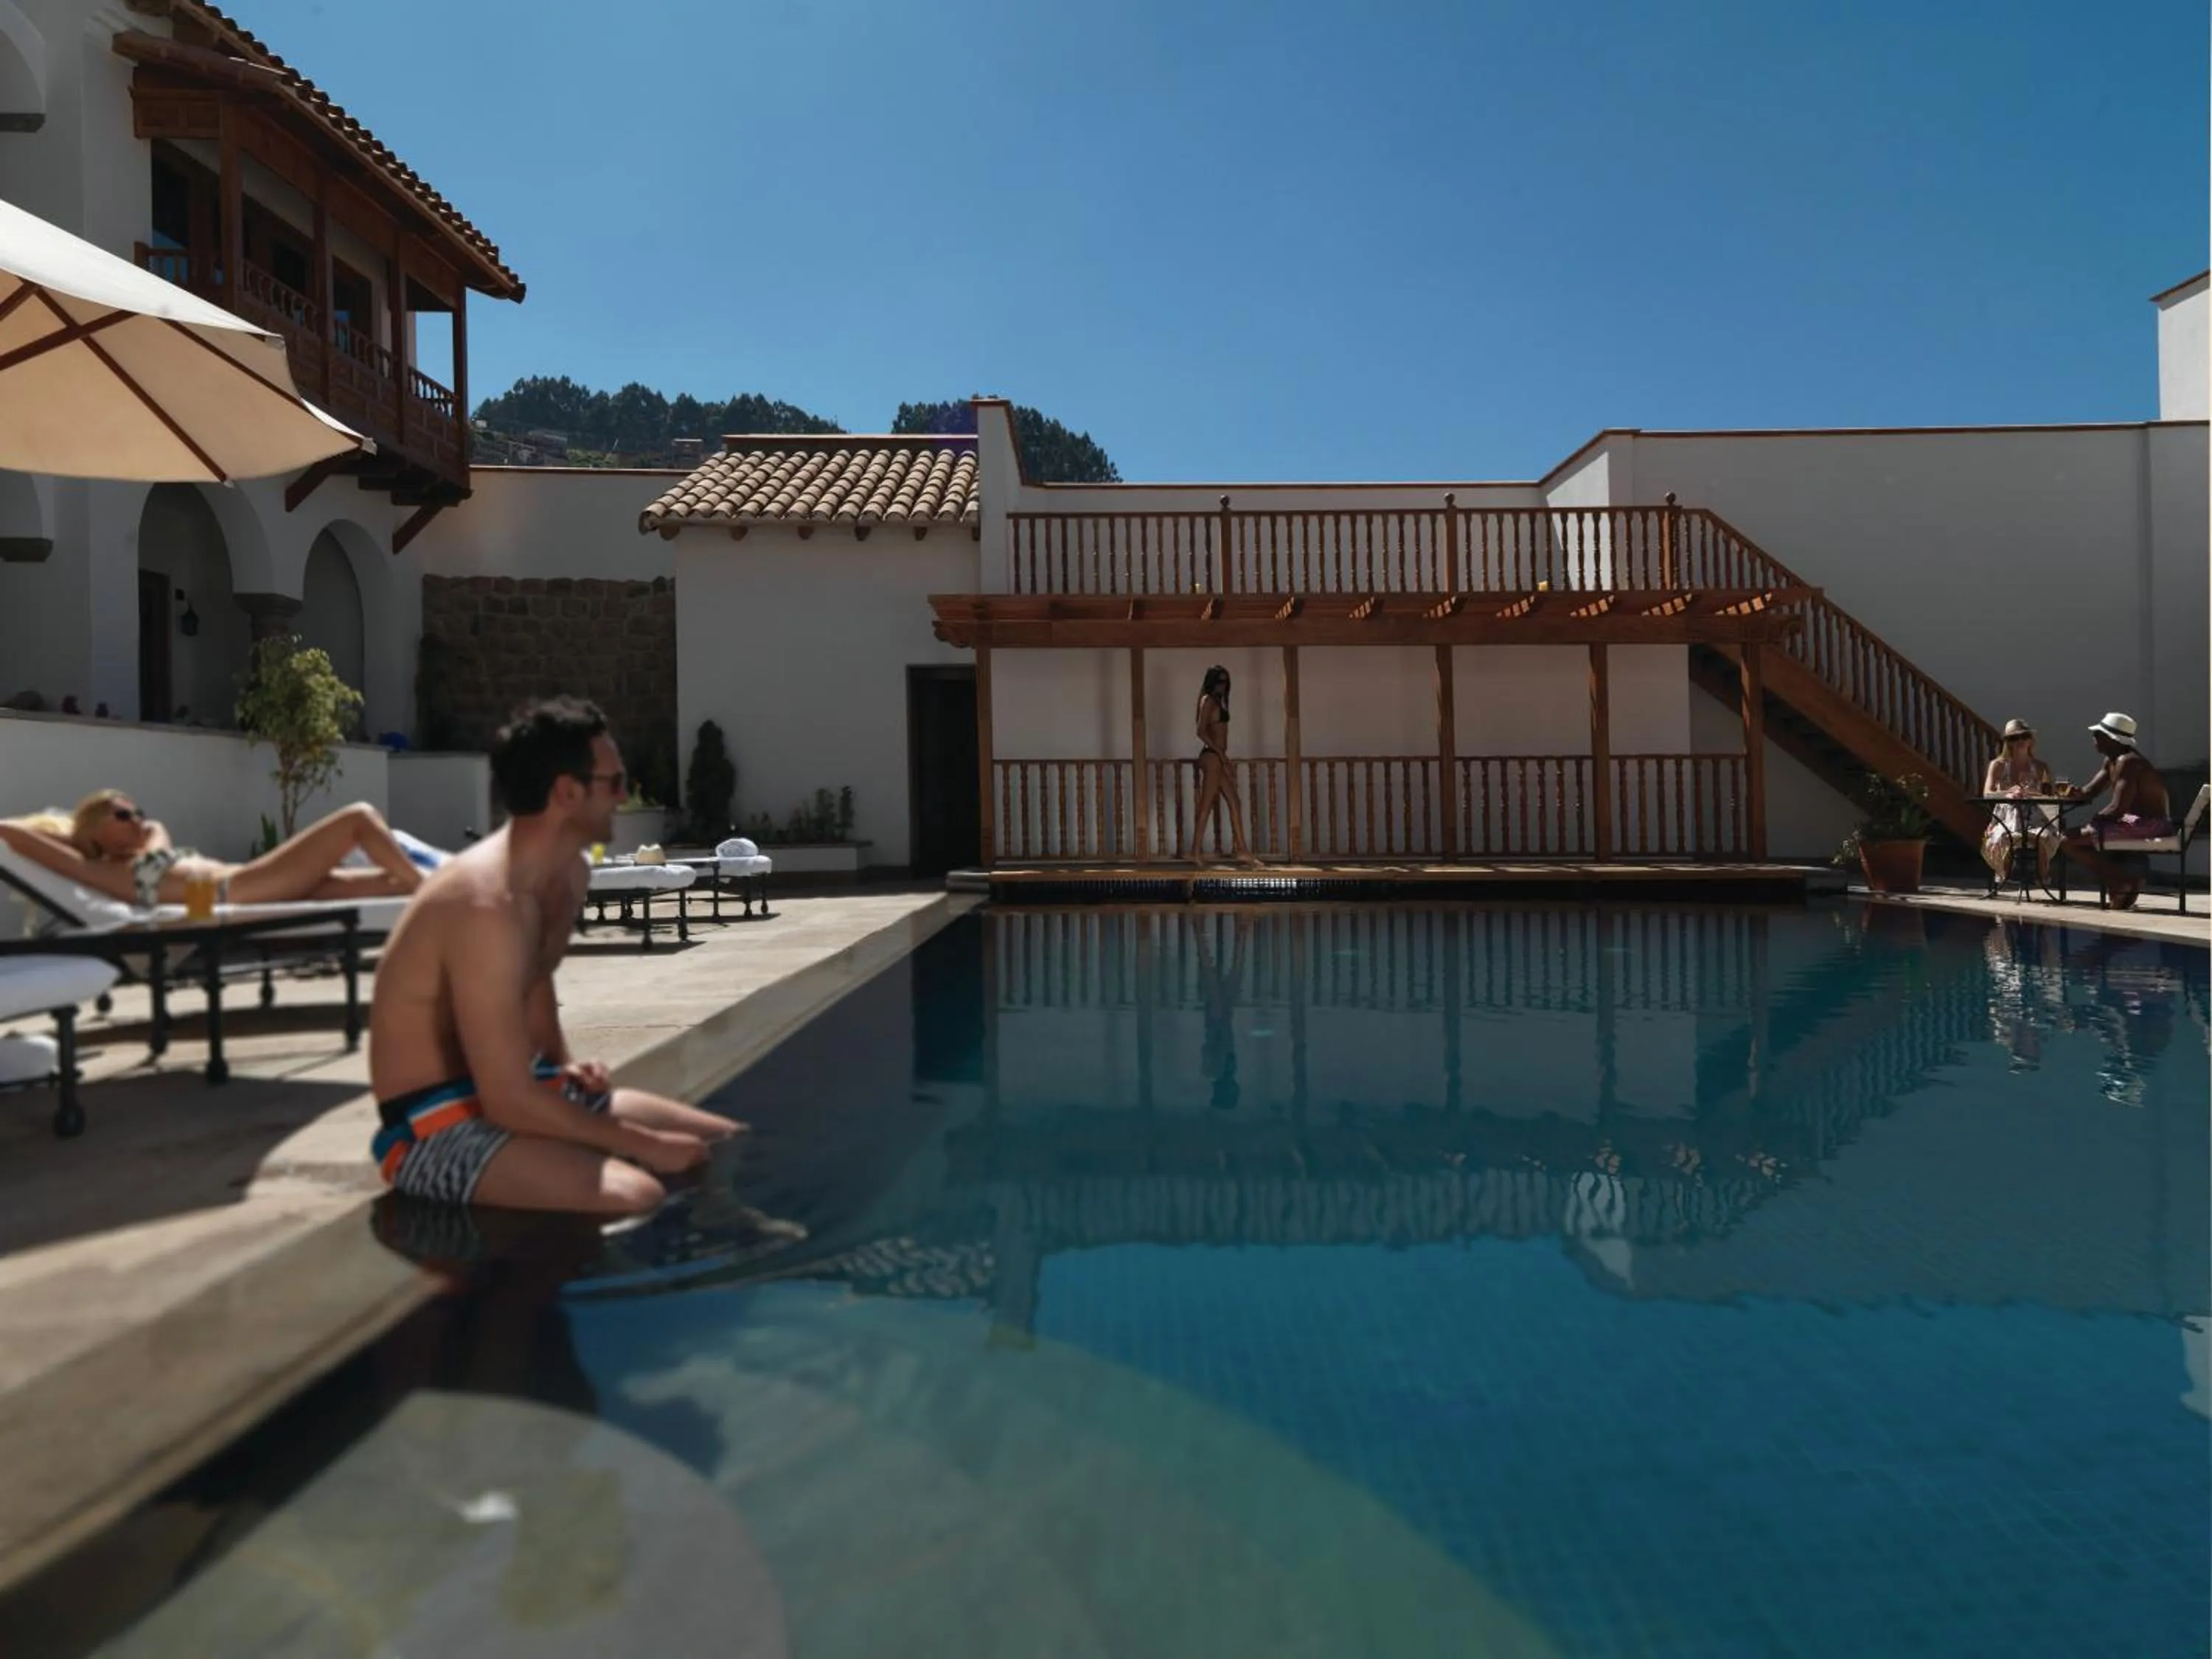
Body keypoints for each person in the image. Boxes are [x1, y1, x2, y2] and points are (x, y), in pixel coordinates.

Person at [367, 697, 737, 1216]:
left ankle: (733, 1234)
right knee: (640, 1192)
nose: (625, 795)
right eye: (613, 782)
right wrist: (644, 1145)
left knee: (726, 1141)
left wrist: (565, 1067)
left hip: (515, 1088)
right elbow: (506, 1100)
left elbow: (536, 983)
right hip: (433, 1126)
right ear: (567, 792)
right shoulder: (483, 904)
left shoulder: (568, 875)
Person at [0, 790, 424, 909]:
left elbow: (156, 832)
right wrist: (76, 840)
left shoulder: (144, 850)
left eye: (135, 810)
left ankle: (445, 889)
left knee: (387, 882)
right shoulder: (98, 872)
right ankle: (429, 888)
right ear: (92, 833)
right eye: (121, 815)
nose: (136, 819)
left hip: (248, 884)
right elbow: (19, 838)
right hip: (240, 889)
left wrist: (140, 831)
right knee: (358, 818)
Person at [2055, 712, 2173, 910]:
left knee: (2068, 841)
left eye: (2098, 735)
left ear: (2112, 739)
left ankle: (2121, 882)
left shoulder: (2128, 762)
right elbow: (2090, 792)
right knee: (2073, 837)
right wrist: (2075, 793)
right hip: (2132, 821)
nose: (2094, 739)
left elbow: (2118, 809)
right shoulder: (2112, 760)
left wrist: (2093, 823)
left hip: (2150, 824)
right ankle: (2122, 884)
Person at [1183, 665, 1264, 866]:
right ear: (1211, 682)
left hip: (1217, 758)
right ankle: (1195, 851)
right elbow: (1200, 732)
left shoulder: (1217, 701)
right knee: (1206, 803)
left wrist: (1223, 758)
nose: (1223, 685)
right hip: (1211, 757)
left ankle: (1243, 850)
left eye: (1226, 681)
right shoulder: (1208, 701)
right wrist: (1221, 754)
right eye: (1219, 681)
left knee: (1235, 802)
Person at [1980, 718, 2061, 887]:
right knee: (2002, 837)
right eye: (2014, 738)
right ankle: (2005, 879)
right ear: (2007, 742)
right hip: (2007, 816)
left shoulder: (2041, 767)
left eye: (2024, 736)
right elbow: (1987, 794)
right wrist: (2009, 793)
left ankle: (2043, 880)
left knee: (2044, 836)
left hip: (2035, 815)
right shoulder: (1998, 765)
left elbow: (2050, 797)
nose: (2020, 741)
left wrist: (2028, 794)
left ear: (2031, 739)